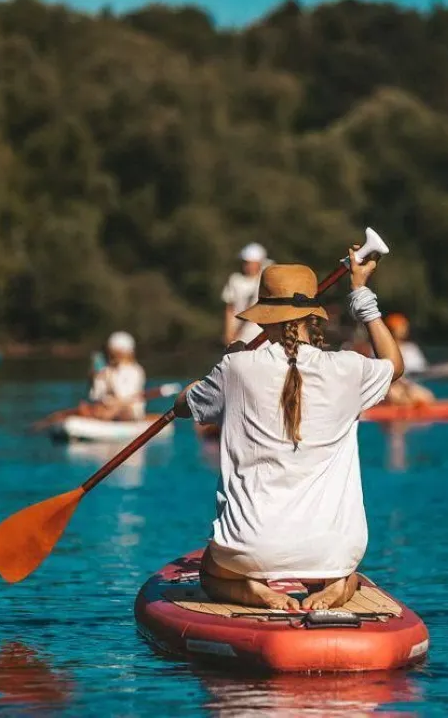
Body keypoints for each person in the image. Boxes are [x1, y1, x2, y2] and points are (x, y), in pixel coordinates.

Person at [173, 249, 405, 611]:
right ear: (314, 317)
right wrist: (361, 292)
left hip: (250, 546)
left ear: (264, 318)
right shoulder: (349, 367)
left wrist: (226, 361)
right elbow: (395, 364)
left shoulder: (236, 368)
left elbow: (184, 405)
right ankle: (335, 588)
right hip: (334, 546)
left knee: (210, 574)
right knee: (351, 576)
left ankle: (256, 592)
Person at [80, 331, 146, 421]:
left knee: (119, 410)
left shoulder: (135, 371)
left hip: (127, 411)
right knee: (84, 407)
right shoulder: (105, 370)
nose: (111, 356)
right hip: (106, 407)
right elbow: (96, 395)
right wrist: (94, 378)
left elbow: (125, 399)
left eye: (114, 352)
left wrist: (112, 404)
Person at [381, 313, 434, 406]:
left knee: (427, 396)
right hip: (390, 388)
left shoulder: (411, 349)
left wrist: (406, 385)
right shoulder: (381, 349)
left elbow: (419, 371)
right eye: (400, 327)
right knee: (394, 396)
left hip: (409, 386)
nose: (403, 330)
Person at [222, 243, 269, 346]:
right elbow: (230, 307)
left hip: (260, 334)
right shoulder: (235, 280)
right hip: (238, 335)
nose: (249, 266)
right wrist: (229, 333)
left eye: (252, 263)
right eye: (246, 263)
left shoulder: (266, 280)